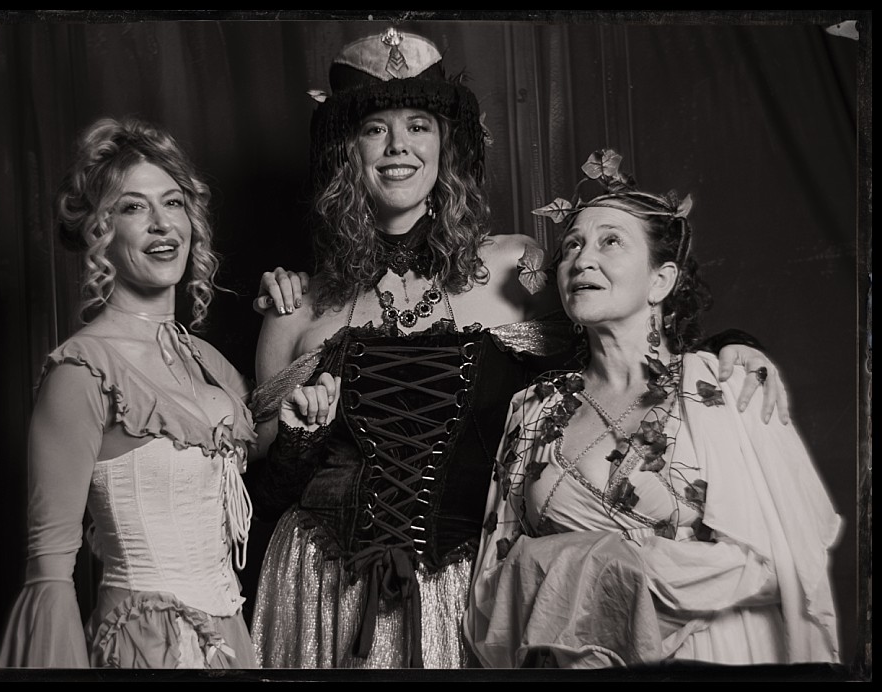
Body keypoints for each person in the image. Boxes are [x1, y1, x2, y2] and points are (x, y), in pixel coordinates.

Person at [246, 28, 787, 669]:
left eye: (418, 125)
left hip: (462, 585)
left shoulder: (516, 267)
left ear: (446, 146)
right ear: (348, 151)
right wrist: (303, 437)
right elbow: (265, 486)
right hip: (318, 586)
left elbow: (618, 345)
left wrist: (727, 348)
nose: (398, 146)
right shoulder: (297, 305)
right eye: (374, 129)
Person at [464, 151, 841, 668]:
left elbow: (782, 559)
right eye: (572, 245)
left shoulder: (726, 386)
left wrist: (610, 571)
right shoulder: (531, 407)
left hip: (708, 657)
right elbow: (492, 578)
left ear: (661, 281)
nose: (582, 259)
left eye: (610, 241)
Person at [0, 117, 267, 668]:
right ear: (100, 230)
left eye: (173, 203)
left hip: (230, 638)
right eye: (134, 207)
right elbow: (49, 566)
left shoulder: (205, 360)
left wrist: (303, 397)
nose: (164, 225)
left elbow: (248, 454)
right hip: (143, 644)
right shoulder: (81, 370)